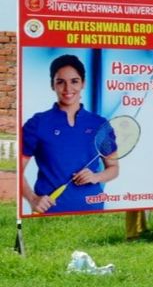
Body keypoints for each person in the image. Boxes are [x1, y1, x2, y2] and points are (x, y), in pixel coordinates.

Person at [21, 54, 119, 214]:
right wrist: (32, 199)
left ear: (83, 83)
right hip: (50, 214)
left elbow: (113, 168)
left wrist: (96, 177)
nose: (68, 89)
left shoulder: (100, 124)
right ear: (52, 85)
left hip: (92, 212)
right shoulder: (38, 123)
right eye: (60, 82)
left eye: (74, 81)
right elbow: (18, 169)